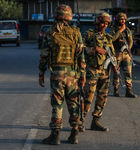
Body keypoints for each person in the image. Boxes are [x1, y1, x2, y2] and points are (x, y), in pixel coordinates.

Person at [38, 4, 86, 144]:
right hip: (72, 74)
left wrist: (41, 73)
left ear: (56, 15)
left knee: (57, 102)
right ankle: (74, 133)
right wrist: (82, 75)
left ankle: (55, 135)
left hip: (57, 73)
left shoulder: (50, 33)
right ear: (69, 17)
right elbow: (81, 57)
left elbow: (44, 56)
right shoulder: (76, 33)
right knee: (73, 102)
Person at [80, 12, 115, 132]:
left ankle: (96, 121)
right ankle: (81, 121)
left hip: (105, 71)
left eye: (106, 23)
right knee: (87, 97)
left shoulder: (108, 38)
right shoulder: (88, 35)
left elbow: (112, 54)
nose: (104, 25)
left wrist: (115, 65)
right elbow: (80, 50)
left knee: (102, 97)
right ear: (97, 23)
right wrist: (94, 49)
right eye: (102, 23)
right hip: (92, 70)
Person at [109, 12, 137, 98]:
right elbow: (112, 38)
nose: (122, 21)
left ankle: (129, 90)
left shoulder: (127, 30)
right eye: (121, 19)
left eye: (124, 20)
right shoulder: (113, 29)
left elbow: (131, 40)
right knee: (116, 72)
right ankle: (116, 89)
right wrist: (120, 31)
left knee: (128, 72)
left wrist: (128, 48)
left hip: (125, 53)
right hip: (116, 53)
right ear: (117, 20)